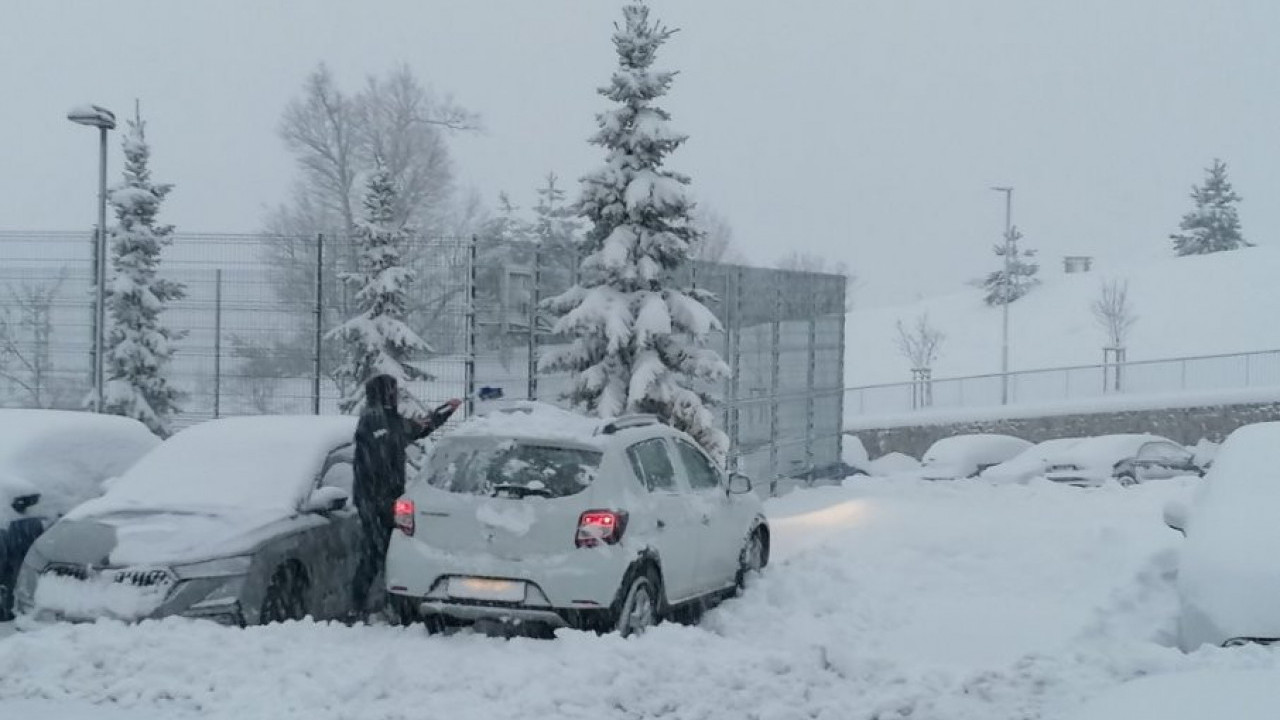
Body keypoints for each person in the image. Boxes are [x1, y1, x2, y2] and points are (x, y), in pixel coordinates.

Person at [350, 374, 460, 618]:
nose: (396, 395)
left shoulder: (388, 419)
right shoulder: (373, 421)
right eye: (392, 391)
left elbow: (416, 430)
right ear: (384, 394)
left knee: (387, 550)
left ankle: (379, 603)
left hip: (386, 498)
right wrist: (381, 499)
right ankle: (359, 606)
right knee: (375, 552)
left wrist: (444, 412)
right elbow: (392, 441)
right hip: (374, 499)